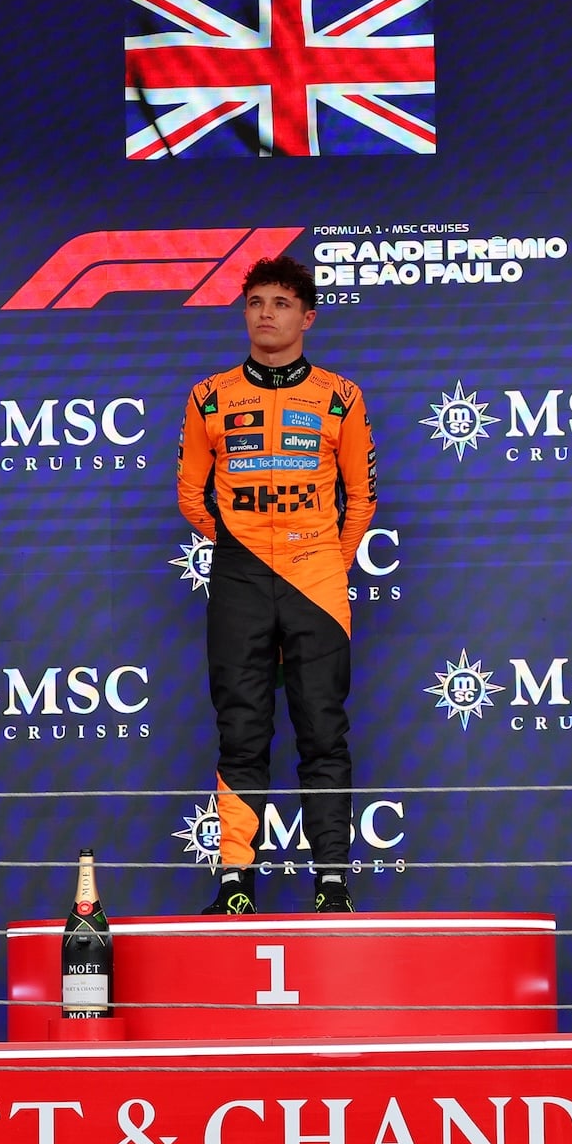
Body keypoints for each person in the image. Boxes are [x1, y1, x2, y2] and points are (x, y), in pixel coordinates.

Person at [177, 257, 377, 915]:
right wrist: (240, 543)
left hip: (316, 576)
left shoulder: (341, 395)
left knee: (322, 727)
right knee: (242, 729)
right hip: (239, 575)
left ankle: (332, 884)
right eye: (256, 301)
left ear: (307, 317)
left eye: (282, 303)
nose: (267, 313)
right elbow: (190, 495)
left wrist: (327, 557)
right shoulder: (207, 395)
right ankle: (236, 883)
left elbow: (361, 495)